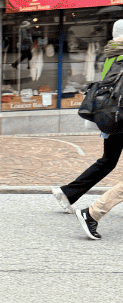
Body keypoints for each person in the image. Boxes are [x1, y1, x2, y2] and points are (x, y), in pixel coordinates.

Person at [51, 18, 123, 228]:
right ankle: (87, 208)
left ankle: (67, 192)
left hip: (111, 115)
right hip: (120, 117)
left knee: (107, 161)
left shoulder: (111, 53)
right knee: (107, 162)